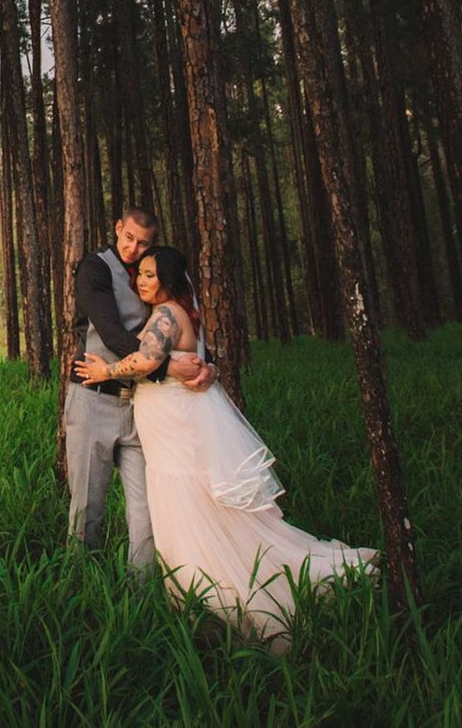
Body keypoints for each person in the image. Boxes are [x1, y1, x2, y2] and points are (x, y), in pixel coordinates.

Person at [75, 244, 375, 646]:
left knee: (186, 503)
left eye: (149, 275)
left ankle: (214, 598)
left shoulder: (166, 314)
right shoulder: (179, 313)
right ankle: (196, 593)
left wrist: (104, 370)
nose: (140, 281)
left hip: (174, 430)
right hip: (171, 424)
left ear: (167, 280)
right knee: (188, 502)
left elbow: (146, 362)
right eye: (139, 274)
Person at [64, 208, 212, 577]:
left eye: (143, 242)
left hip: (144, 406)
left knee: (146, 510)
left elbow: (185, 321)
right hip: (94, 400)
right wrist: (167, 367)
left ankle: (141, 594)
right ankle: (81, 591)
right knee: (87, 509)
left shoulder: (157, 272)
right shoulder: (95, 268)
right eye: (128, 238)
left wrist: (207, 364)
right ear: (118, 228)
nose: (133, 248)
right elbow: (112, 333)